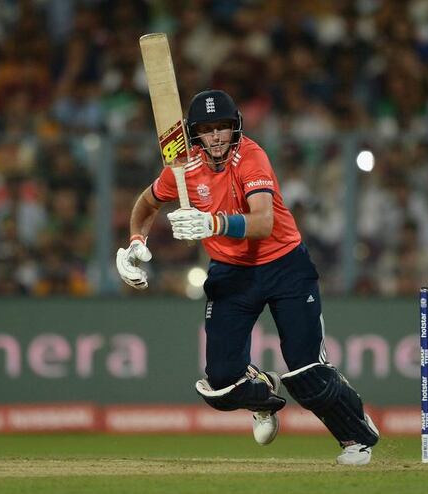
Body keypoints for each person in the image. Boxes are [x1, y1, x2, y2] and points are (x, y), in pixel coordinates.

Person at [115, 89, 379, 465]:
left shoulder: (251, 158)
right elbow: (146, 203)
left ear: (235, 127)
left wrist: (212, 221)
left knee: (306, 372)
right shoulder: (182, 168)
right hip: (231, 273)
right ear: (195, 135)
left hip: (284, 265)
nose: (217, 137)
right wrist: (135, 243)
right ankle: (263, 394)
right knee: (220, 384)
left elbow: (263, 222)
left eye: (223, 127)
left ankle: (356, 437)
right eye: (207, 130)